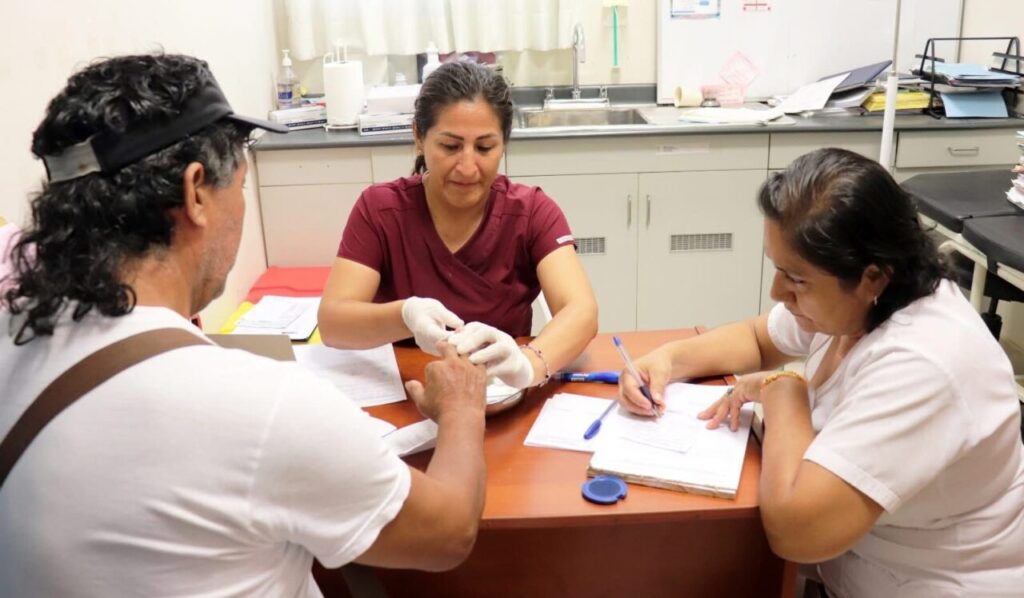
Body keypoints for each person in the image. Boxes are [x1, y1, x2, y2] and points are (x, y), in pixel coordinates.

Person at [0, 54, 488, 596]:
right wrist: (463, 407)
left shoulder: (11, 341)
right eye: (240, 185)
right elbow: (447, 533)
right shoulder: (259, 407)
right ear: (196, 193)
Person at [618, 148, 1024, 596]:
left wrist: (783, 388)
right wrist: (668, 359)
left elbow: (798, 532)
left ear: (872, 277)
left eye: (795, 279)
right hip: (855, 566)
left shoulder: (924, 362)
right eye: (778, 270)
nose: (777, 292)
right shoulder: (859, 303)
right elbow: (757, 339)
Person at [317, 61, 598, 390]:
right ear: (419, 137)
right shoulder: (381, 210)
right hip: (406, 391)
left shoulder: (531, 212)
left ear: (504, 143)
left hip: (498, 392)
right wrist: (405, 315)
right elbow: (333, 323)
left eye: (484, 148)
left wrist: (527, 365)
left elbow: (581, 311)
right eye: (450, 147)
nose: (467, 167)